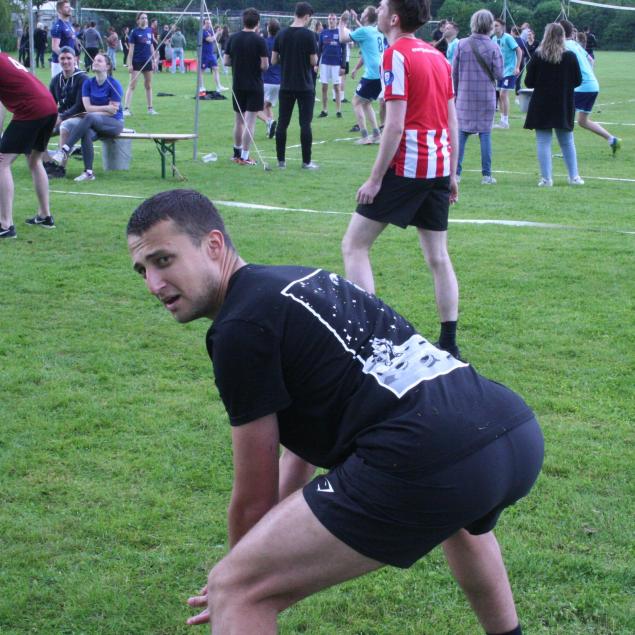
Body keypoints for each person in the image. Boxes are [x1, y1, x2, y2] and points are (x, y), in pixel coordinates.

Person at [127, 187, 543, 635]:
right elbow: (299, 452)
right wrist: (257, 556)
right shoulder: (298, 280)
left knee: (236, 588)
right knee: (456, 515)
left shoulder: (240, 328)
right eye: (143, 270)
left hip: (429, 453)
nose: (154, 284)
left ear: (213, 245)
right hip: (508, 428)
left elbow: (253, 496)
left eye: (164, 260)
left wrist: (239, 576)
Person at [342, 0, 462, 359]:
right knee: (438, 257)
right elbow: (452, 121)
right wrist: (452, 172)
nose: (378, 10)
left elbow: (394, 125)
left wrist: (375, 178)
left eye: (382, 7)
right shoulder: (438, 56)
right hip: (437, 166)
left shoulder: (396, 54)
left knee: (354, 245)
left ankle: (368, 338)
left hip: (409, 166)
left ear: (393, 18)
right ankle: (449, 343)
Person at [0, 53, 57, 238]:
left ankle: (5, 225)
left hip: (32, 109)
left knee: (2, 163)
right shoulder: (4, 57)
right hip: (49, 106)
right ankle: (45, 216)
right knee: (34, 161)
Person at [524, 23, 583, 187]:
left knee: (543, 142)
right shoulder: (570, 56)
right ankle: (574, 177)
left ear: (546, 36)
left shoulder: (538, 56)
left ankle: (546, 179)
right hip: (563, 104)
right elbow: (578, 80)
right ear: (563, 36)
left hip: (541, 104)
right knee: (567, 141)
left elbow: (529, 82)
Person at [51, 53, 124, 182]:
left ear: (107, 66)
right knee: (86, 132)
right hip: (94, 122)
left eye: (99, 61)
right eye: (94, 60)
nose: (95, 62)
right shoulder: (88, 83)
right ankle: (89, 173)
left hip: (113, 123)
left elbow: (113, 111)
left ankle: (65, 149)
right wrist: (105, 107)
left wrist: (99, 111)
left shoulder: (114, 84)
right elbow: (88, 107)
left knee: (89, 117)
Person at [452, 9, 503, 185]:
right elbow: (499, 73)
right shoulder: (494, 46)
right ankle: (487, 175)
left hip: (464, 95)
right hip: (486, 96)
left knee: (461, 134)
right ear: (490, 25)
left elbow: (454, 73)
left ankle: (456, 174)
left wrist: (456, 93)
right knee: (485, 134)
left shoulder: (461, 44)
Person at [559, 19, 621, 154]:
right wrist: (588, 75)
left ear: (561, 31)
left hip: (583, 86)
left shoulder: (564, 46)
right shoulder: (574, 44)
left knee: (565, 116)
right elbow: (591, 60)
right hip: (592, 85)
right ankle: (612, 139)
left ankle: (567, 151)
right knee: (582, 121)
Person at [272, 2, 319, 170]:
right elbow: (313, 61)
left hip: (286, 85)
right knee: (305, 124)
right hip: (305, 86)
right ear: (306, 16)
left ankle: (281, 161)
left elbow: (273, 60)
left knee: (282, 123)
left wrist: (287, 58)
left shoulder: (281, 34)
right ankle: (306, 162)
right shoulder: (309, 35)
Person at [224, 8, 269, 166]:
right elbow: (265, 65)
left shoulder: (233, 38)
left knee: (238, 120)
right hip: (254, 84)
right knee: (250, 121)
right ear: (257, 23)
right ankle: (244, 156)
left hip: (238, 84)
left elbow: (226, 61)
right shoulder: (259, 40)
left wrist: (239, 62)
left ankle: (236, 153)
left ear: (243, 21)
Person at [339, 7, 383, 145]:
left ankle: (365, 137)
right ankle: (376, 134)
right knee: (366, 103)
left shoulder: (364, 31)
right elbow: (365, 39)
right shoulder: (376, 31)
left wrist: (342, 22)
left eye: (363, 12)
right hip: (380, 73)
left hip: (372, 74)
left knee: (356, 102)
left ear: (367, 17)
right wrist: (355, 20)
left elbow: (342, 39)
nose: (361, 14)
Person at [47, 46, 87, 175]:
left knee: (65, 125)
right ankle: (47, 163)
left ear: (75, 59)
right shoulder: (56, 80)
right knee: (38, 129)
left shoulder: (82, 78)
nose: (65, 61)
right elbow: (50, 103)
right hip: (62, 116)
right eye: (62, 58)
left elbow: (80, 105)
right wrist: (48, 118)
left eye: (69, 58)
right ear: (58, 60)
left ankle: (61, 168)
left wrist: (61, 117)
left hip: (80, 117)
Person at [123, 12, 158, 116]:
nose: (145, 20)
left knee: (148, 85)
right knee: (132, 85)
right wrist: (130, 64)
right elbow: (131, 50)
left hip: (147, 62)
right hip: (136, 62)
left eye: (146, 18)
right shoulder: (134, 32)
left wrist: (154, 60)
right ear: (138, 20)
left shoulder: (149, 31)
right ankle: (126, 109)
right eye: (142, 18)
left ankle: (150, 109)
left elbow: (151, 46)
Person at [492, 19, 522, 129]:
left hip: (510, 71)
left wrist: (517, 67)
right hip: (500, 71)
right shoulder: (493, 39)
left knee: (503, 94)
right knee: (500, 95)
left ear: (502, 27)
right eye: (493, 25)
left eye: (496, 25)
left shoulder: (508, 38)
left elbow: (519, 51)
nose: (494, 27)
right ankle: (502, 120)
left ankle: (505, 121)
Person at [317, 14, 346, 119]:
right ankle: (324, 110)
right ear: (328, 20)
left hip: (336, 64)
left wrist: (343, 66)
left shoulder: (340, 33)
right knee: (324, 87)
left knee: (337, 87)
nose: (331, 20)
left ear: (336, 21)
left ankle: (338, 111)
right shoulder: (323, 33)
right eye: (329, 19)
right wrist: (316, 64)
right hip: (325, 63)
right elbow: (319, 50)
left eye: (333, 19)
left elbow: (344, 50)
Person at [257, 19, 282, 139]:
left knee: (253, 108)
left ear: (268, 28)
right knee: (267, 106)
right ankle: (272, 130)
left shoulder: (264, 43)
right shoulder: (281, 43)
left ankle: (269, 121)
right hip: (278, 81)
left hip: (266, 80)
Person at [200, 18, 227, 93]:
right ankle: (201, 87)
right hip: (204, 54)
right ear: (203, 24)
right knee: (201, 71)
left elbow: (216, 40)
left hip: (210, 54)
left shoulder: (210, 31)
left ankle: (219, 87)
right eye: (207, 23)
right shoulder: (202, 32)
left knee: (216, 68)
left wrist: (220, 33)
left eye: (209, 23)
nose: (209, 24)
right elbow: (210, 39)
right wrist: (217, 33)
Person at [50, 0, 76, 77]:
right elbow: (55, 47)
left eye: (69, 7)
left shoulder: (69, 24)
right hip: (60, 64)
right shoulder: (58, 26)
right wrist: (67, 59)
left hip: (71, 62)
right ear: (59, 10)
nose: (69, 9)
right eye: (66, 7)